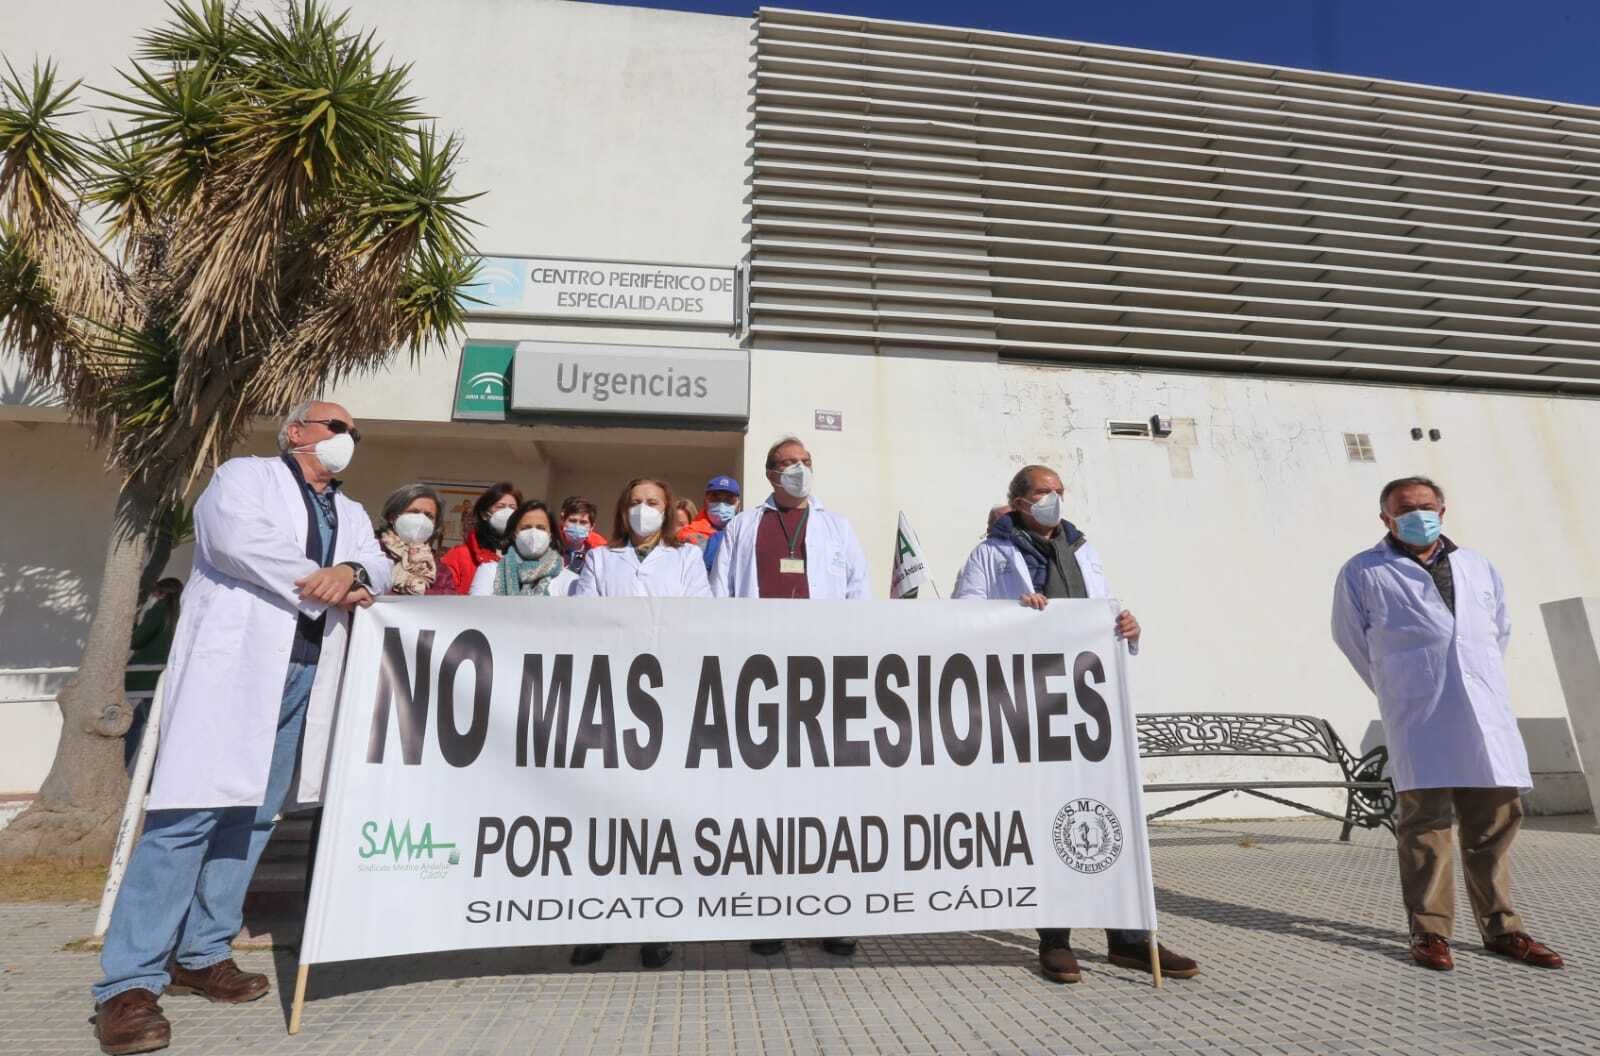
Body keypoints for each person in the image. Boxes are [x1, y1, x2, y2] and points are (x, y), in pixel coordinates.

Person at [91, 400, 389, 1055]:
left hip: (308, 674)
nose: (348, 439)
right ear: (297, 432)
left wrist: (358, 572)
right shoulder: (242, 477)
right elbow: (237, 542)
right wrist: (334, 582)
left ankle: (201, 951)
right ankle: (129, 984)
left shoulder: (354, 511)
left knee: (253, 816)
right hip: (235, 671)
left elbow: (379, 566)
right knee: (188, 814)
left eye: (355, 433)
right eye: (337, 427)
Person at [953, 464, 1199, 985]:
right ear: (1018, 500)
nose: (1054, 500)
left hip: (1088, 700)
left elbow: (1103, 611)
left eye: (1059, 492)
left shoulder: (1082, 548)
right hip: (1026, 700)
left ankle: (1128, 941)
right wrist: (1014, 611)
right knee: (1046, 815)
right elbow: (962, 616)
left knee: (1108, 812)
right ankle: (1055, 940)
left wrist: (1126, 625)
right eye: (1044, 492)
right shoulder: (991, 553)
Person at [1332, 476, 1563, 973]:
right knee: (1425, 828)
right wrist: (1400, 689)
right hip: (1421, 718)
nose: (1418, 514)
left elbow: (1497, 630)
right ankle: (1430, 932)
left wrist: (1470, 680)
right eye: (1406, 508)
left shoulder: (1477, 565)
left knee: (1494, 828)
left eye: (1426, 506)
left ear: (1443, 508)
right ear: (1386, 518)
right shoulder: (1363, 571)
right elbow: (1351, 639)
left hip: (1485, 715)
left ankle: (1503, 929)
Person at [711, 437, 868, 957]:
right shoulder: (742, 526)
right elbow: (720, 596)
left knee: (828, 802)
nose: (798, 470)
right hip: (759, 677)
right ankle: (770, 910)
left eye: (805, 462)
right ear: (769, 474)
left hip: (824, 679)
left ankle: (834, 912)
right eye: (787, 464)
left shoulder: (836, 527)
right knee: (767, 802)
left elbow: (857, 595)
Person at [570, 478, 710, 969]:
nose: (643, 511)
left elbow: (699, 616)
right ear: (621, 510)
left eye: (653, 503)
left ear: (668, 510)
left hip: (669, 698)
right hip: (611, 694)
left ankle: (658, 924)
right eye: (634, 502)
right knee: (607, 813)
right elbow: (584, 616)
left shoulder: (688, 559)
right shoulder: (602, 559)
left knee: (660, 813)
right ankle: (600, 922)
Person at [124, 578, 183, 768]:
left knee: (132, 727)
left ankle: (125, 770)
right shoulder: (182, 613)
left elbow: (136, 641)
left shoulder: (158, 611)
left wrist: (133, 622)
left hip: (142, 678)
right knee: (159, 729)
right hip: (166, 677)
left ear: (160, 593)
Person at [470, 499, 578, 597]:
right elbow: (476, 613)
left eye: (541, 528)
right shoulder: (490, 572)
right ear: (514, 534)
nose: (533, 533)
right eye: (526, 527)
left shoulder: (570, 581)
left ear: (550, 535)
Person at [438, 483, 522, 595]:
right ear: (484, 514)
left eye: (513, 508)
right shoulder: (459, 555)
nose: (508, 512)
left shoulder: (524, 557)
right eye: (500, 506)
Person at [376, 484, 457, 595]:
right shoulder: (373, 554)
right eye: (414, 512)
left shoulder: (438, 570)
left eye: (429, 516)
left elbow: (447, 605)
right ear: (392, 517)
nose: (421, 519)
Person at [677, 474, 741, 572]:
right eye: (715, 498)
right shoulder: (688, 532)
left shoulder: (743, 529)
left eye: (729, 500)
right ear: (705, 501)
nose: (721, 504)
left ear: (738, 505)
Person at [558, 495, 607, 575]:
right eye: (573, 521)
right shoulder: (550, 543)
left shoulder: (599, 550)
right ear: (563, 521)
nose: (577, 526)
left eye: (583, 522)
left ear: (592, 527)